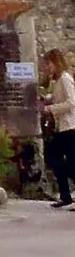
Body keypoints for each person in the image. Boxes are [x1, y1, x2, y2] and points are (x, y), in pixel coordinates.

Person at [42, 48, 75, 206]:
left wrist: (50, 109)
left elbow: (71, 102)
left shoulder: (65, 78)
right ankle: (65, 195)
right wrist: (48, 98)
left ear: (56, 63)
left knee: (70, 163)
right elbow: (59, 98)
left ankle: (66, 195)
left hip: (69, 126)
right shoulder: (57, 80)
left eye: (48, 64)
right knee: (54, 158)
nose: (47, 67)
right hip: (61, 127)